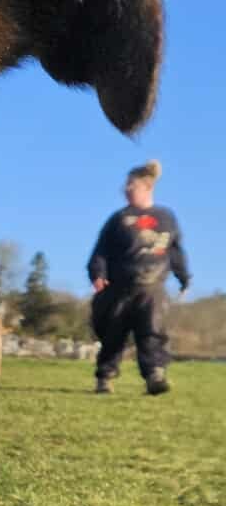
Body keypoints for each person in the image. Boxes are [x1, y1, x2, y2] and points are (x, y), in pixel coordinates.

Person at [86, 159, 189, 396]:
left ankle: (155, 376)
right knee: (113, 335)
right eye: (126, 185)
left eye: (131, 185)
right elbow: (100, 251)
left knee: (152, 333)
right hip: (120, 287)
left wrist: (183, 277)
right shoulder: (118, 219)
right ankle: (105, 378)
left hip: (152, 288)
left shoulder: (166, 217)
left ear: (147, 187)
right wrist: (98, 274)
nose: (126, 189)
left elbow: (175, 250)